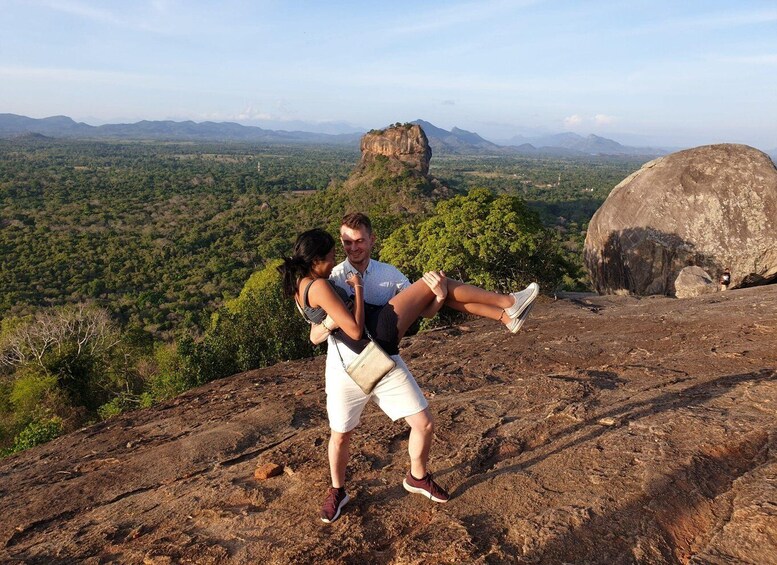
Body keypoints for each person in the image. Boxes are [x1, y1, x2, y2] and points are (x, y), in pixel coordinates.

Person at [278, 223, 539, 524]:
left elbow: (425, 310)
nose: (350, 250)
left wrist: (438, 298)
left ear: (371, 240)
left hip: (381, 348)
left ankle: (417, 477)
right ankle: (507, 304)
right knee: (340, 435)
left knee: (423, 420)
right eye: (343, 245)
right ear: (316, 260)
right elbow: (327, 331)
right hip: (362, 347)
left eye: (358, 241)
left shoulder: (368, 276)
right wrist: (351, 299)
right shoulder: (329, 278)